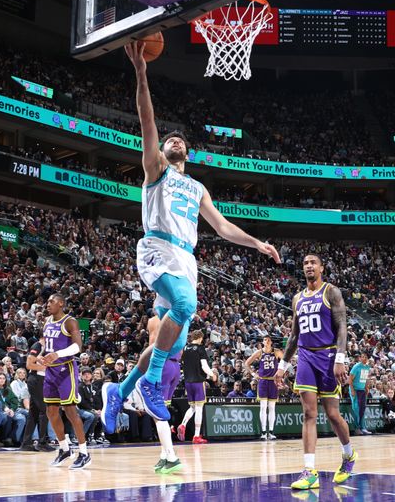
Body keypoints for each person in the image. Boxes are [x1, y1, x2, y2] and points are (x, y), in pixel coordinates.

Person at [101, 40, 280, 430]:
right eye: (170, 140)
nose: (175, 140)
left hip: (187, 259)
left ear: (189, 153)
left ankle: (121, 389)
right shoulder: (156, 170)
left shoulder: (197, 188)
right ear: (162, 152)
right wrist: (141, 74)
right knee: (185, 306)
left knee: (173, 343)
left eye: (181, 140)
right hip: (158, 247)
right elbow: (147, 121)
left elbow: (221, 226)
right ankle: (149, 386)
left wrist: (256, 243)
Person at [275, 254, 356, 490]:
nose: (309, 266)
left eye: (313, 263)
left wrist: (340, 358)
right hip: (306, 357)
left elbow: (342, 327)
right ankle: (310, 471)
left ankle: (349, 454)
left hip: (329, 355)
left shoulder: (331, 292)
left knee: (332, 414)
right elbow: (293, 335)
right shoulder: (297, 298)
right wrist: (283, 366)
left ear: (321, 267)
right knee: (309, 413)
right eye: (305, 263)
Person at [39, 294, 90, 469]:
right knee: (51, 411)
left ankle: (84, 453)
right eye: (47, 302)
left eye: (51, 301)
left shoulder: (70, 321)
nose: (48, 304)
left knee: (70, 411)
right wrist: (42, 355)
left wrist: (57, 355)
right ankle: (64, 449)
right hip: (50, 371)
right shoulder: (46, 321)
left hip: (66, 370)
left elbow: (77, 347)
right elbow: (48, 345)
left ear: (61, 303)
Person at [146, 315, 182, 473]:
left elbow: (152, 346)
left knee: (157, 413)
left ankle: (171, 456)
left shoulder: (154, 320)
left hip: (162, 366)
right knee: (163, 411)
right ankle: (164, 454)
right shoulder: (180, 315)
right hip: (176, 367)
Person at [178, 329, 217, 445]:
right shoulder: (200, 349)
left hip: (188, 382)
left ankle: (183, 424)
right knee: (199, 408)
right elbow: (204, 366)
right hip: (198, 382)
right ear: (200, 338)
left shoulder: (185, 348)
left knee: (193, 407)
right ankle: (196, 435)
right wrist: (212, 375)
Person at [244, 335, 282, 439]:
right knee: (263, 407)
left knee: (272, 408)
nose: (267, 341)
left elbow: (285, 362)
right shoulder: (259, 352)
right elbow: (246, 363)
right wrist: (253, 374)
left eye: (269, 340)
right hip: (263, 381)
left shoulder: (277, 351)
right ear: (263, 342)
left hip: (273, 381)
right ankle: (264, 432)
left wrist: (281, 372)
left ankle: (271, 431)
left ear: (271, 342)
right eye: (265, 340)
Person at [20, 338, 51, 452]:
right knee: (44, 410)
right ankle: (42, 442)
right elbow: (29, 365)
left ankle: (26, 443)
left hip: (41, 380)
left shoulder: (47, 348)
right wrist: (46, 368)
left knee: (34, 412)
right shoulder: (37, 346)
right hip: (36, 379)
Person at [348, 352, 371, 435]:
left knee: (362, 409)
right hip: (355, 389)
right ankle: (357, 428)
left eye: (365, 357)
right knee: (356, 409)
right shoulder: (356, 366)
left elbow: (366, 378)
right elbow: (350, 379)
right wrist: (352, 390)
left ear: (367, 358)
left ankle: (363, 427)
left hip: (362, 390)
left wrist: (366, 387)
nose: (363, 358)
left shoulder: (368, 367)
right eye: (362, 357)